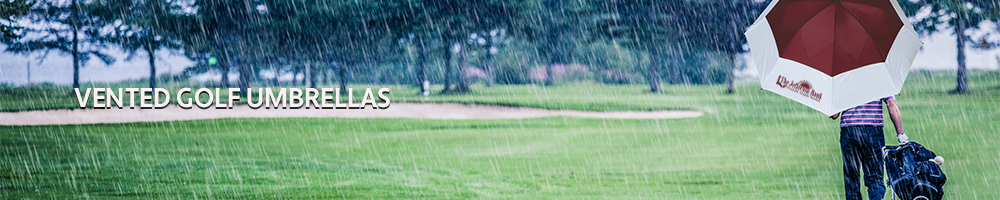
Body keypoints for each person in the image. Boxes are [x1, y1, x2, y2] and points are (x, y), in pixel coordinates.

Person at [829, 96, 908, 200]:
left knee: (852, 180)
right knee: (874, 178)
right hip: (873, 130)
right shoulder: (879, 79)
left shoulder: (843, 79)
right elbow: (891, 104)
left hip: (849, 131)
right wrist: (900, 134)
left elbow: (835, 114)